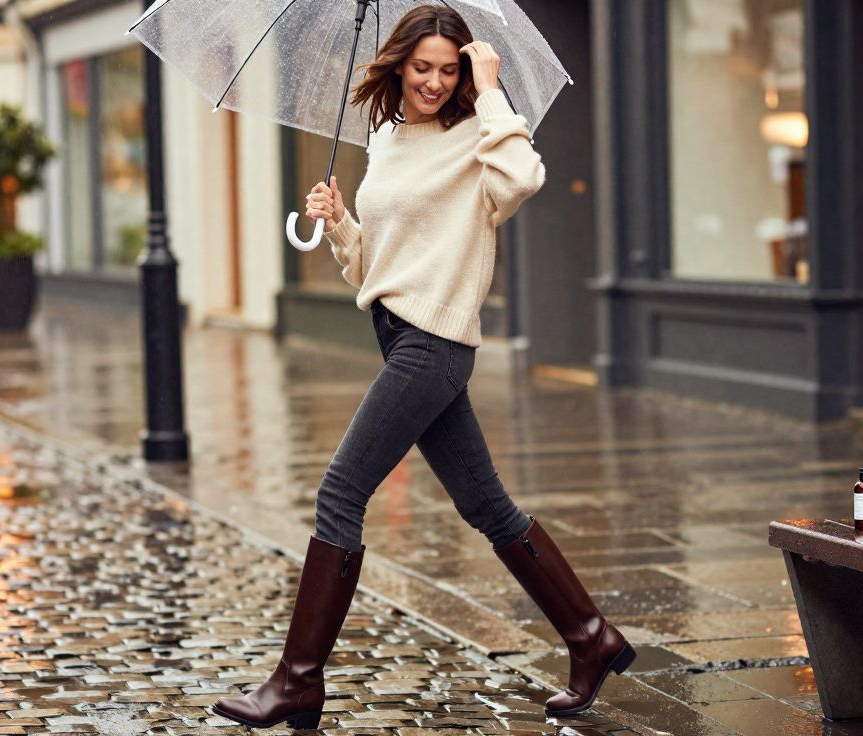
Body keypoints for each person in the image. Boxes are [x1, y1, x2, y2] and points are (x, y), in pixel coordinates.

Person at [212, 6, 634, 730]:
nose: (435, 82)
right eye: (423, 67)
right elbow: (378, 266)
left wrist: (493, 87)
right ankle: (593, 638)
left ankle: (297, 680)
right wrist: (342, 222)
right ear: (398, 64)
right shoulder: (385, 135)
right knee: (486, 507)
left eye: (449, 69)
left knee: (340, 493)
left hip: (434, 347)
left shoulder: (479, 137)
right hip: (398, 331)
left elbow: (525, 177)